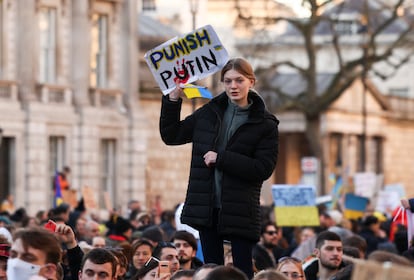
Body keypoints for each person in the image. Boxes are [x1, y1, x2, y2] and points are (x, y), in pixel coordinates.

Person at [159, 57, 279, 279]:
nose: (233, 86)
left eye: (239, 80)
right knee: (210, 271)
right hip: (207, 205)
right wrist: (173, 100)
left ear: (251, 82)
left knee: (241, 272)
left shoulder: (265, 124)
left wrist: (221, 158)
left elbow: (263, 168)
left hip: (241, 209)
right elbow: (172, 135)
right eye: (228, 81)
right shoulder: (209, 113)